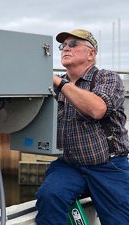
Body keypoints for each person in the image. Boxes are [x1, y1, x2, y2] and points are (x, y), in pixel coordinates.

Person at [35, 29, 129, 225]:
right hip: (70, 166)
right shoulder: (54, 84)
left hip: (109, 167)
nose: (65, 49)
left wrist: (59, 83)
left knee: (119, 221)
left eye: (73, 44)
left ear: (91, 54)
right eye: (63, 45)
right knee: (49, 196)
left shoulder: (108, 79)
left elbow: (97, 109)